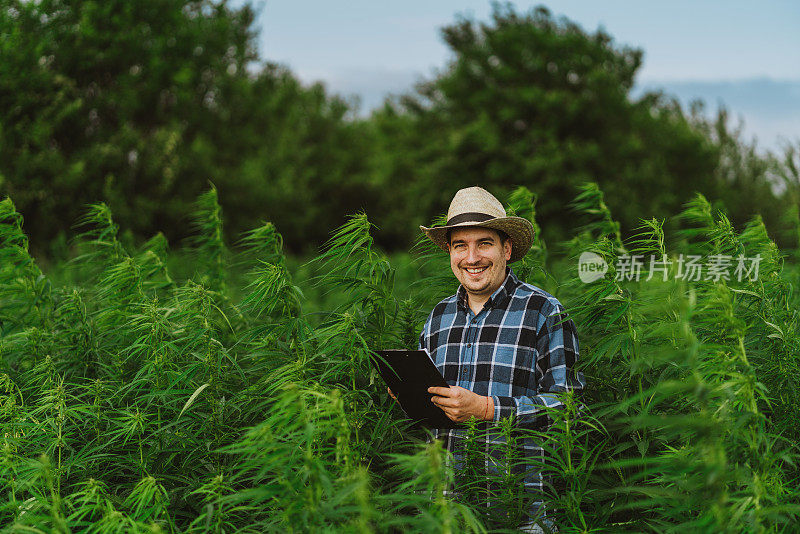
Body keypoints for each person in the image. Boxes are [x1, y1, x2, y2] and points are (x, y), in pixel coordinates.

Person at [415, 186, 585, 532]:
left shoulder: (543, 311)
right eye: (460, 245)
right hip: (448, 512)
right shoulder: (438, 317)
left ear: (507, 249)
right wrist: (409, 395)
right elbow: (427, 418)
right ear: (449, 252)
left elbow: (570, 406)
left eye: (484, 243)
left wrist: (487, 409)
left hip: (517, 512)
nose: (472, 257)